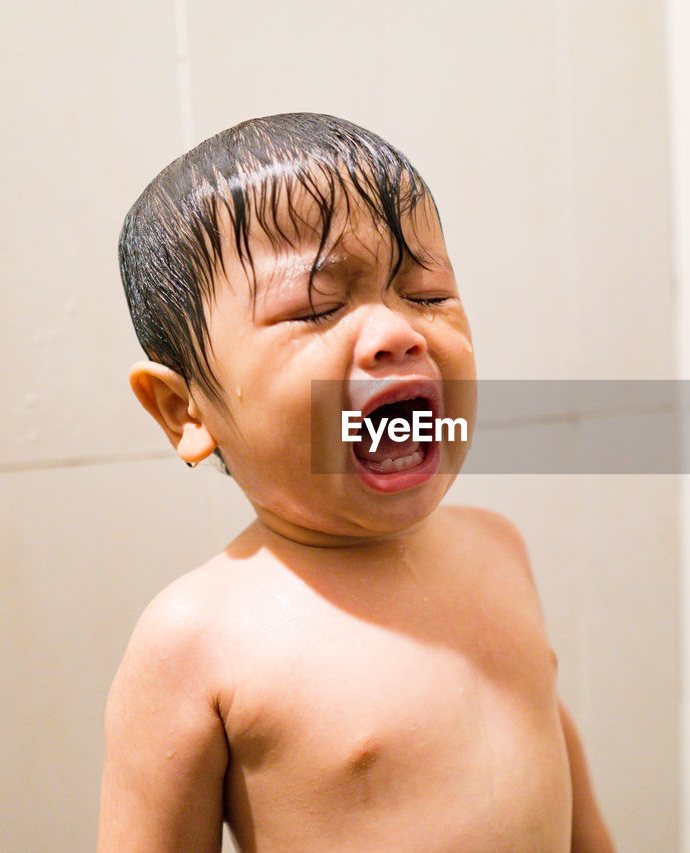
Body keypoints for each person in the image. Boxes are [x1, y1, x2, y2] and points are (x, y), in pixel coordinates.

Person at [98, 113, 615, 852]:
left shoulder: (500, 548)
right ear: (185, 409)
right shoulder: (196, 639)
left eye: (427, 294)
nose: (397, 333)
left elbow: (558, 768)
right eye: (315, 306)